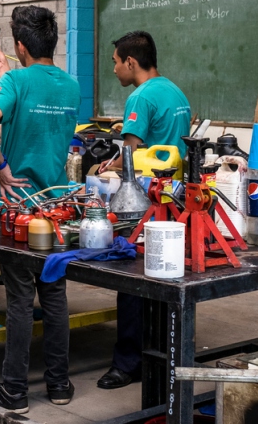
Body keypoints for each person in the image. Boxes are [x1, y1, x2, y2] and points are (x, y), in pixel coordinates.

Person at [0, 5, 80, 413]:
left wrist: (1, 168)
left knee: (18, 300)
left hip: (18, 208)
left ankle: (14, 391)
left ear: (20, 45)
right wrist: (8, 70)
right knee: (54, 296)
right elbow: (37, 107)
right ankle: (59, 385)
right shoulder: (70, 86)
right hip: (57, 207)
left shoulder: (17, 81)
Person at [97, 31, 191, 390]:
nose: (116, 69)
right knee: (167, 277)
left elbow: (132, 159)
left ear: (131, 62)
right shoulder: (174, 91)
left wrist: (110, 169)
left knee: (132, 279)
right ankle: (166, 352)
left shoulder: (139, 96)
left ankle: (128, 362)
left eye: (116, 63)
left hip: (148, 203)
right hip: (177, 199)